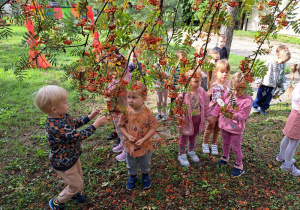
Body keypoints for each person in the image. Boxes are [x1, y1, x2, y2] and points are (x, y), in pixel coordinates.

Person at [34, 85, 108, 210]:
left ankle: (73, 194)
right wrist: (95, 125)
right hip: (63, 161)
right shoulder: (55, 126)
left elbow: (74, 123)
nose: (68, 104)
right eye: (65, 102)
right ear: (54, 109)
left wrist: (90, 117)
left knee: (79, 176)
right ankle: (57, 202)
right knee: (77, 184)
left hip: (72, 155)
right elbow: (77, 136)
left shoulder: (62, 116)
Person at [209, 72, 253, 177]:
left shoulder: (247, 100)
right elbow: (219, 106)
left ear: (245, 88)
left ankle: (239, 165)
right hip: (225, 125)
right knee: (225, 143)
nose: (235, 92)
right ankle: (225, 157)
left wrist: (230, 114)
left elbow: (242, 115)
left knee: (236, 146)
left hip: (236, 128)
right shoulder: (228, 94)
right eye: (234, 89)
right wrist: (214, 115)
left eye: (239, 90)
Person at [118, 82, 158, 190]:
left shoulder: (148, 113)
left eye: (134, 97)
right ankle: (132, 176)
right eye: (128, 97)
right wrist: (127, 136)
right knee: (131, 162)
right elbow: (121, 126)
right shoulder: (126, 112)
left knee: (145, 162)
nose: (130, 100)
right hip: (130, 145)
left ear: (144, 98)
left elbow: (153, 128)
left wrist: (144, 139)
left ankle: (145, 175)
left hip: (145, 145)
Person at [176, 69, 211, 167]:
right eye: (196, 81)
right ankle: (182, 154)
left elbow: (206, 105)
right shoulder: (183, 94)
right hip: (187, 121)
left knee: (193, 136)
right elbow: (178, 109)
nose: (199, 83)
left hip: (198, 120)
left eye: (200, 81)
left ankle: (191, 151)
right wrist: (180, 121)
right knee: (184, 137)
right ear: (188, 81)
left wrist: (208, 116)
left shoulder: (201, 91)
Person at [276, 63, 300, 176]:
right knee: (294, 142)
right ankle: (287, 165)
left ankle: (282, 156)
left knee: (287, 137)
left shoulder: (298, 85)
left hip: (294, 115)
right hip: (297, 118)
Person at [202, 59, 230, 155]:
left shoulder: (227, 87)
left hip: (222, 112)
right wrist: (226, 107)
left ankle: (214, 144)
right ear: (215, 72)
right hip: (214, 111)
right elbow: (218, 99)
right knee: (209, 128)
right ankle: (205, 143)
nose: (224, 74)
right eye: (222, 72)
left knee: (217, 129)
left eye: (226, 72)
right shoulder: (215, 85)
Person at [253, 48, 291, 115]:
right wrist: (259, 81)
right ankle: (255, 106)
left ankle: (263, 109)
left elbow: (278, 74)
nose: (283, 63)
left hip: (272, 85)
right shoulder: (269, 63)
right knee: (260, 97)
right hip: (264, 84)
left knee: (268, 98)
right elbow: (260, 71)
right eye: (283, 61)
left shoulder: (280, 65)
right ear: (278, 57)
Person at [108, 53, 131, 161]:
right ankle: (123, 143)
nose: (115, 70)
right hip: (115, 108)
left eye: (117, 67)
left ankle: (127, 150)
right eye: (113, 67)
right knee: (118, 128)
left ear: (124, 67)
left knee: (123, 130)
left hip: (123, 110)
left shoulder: (125, 79)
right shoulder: (114, 77)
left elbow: (112, 91)